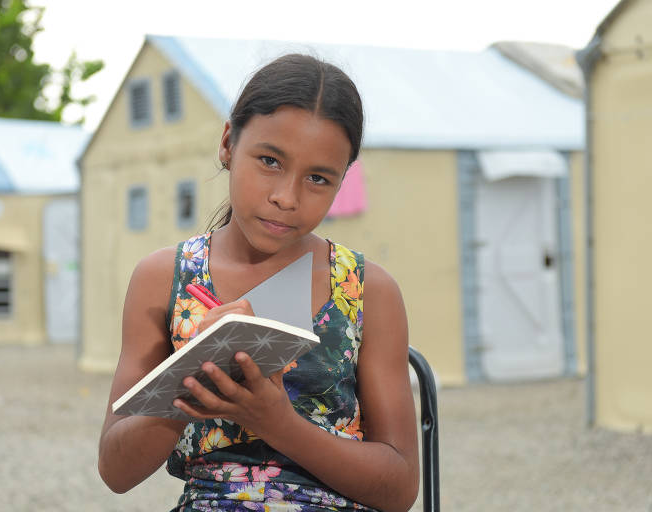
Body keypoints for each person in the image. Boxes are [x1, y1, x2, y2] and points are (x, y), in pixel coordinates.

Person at [98, 53, 419, 512]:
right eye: (269, 160)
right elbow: (115, 470)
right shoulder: (166, 278)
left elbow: (400, 487)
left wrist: (278, 423)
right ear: (228, 143)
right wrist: (196, 372)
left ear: (343, 180)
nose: (286, 197)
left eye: (318, 178)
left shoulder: (366, 289)